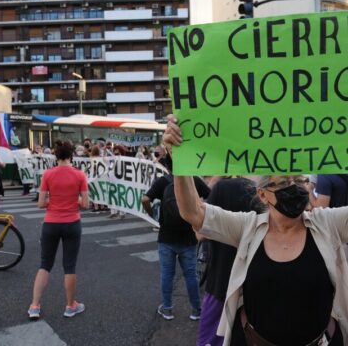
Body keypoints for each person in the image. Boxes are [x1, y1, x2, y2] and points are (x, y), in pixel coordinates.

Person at [163, 115, 347, 346]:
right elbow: (194, 214)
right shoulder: (247, 227)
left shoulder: (328, 223)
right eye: (282, 183)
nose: (294, 188)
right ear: (262, 193)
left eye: (300, 181)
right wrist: (181, 161)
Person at [141, 154, 210, 321]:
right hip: (189, 237)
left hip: (166, 237)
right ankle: (196, 310)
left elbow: (144, 199)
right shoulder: (194, 180)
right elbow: (210, 196)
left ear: (167, 166)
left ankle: (167, 309)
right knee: (191, 275)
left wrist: (155, 217)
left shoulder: (162, 181)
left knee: (167, 274)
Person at [28, 140, 89, 320]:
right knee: (69, 265)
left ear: (56, 156)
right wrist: (73, 201)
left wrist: (54, 202)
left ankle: (34, 306)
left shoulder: (48, 174)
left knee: (45, 264)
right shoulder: (80, 175)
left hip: (51, 223)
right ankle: (71, 305)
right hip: (72, 223)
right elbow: (85, 204)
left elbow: (40, 203)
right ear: (72, 155)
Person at [197, 177, 258, 346]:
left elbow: (199, 234)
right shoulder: (260, 191)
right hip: (252, 287)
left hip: (220, 284)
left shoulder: (221, 187)